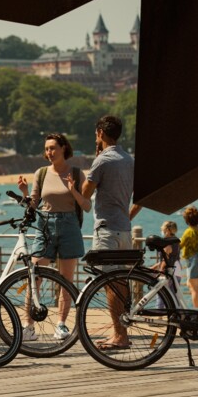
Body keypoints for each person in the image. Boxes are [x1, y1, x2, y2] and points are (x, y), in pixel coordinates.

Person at [18, 133, 91, 341]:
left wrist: (73, 190)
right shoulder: (41, 173)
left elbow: (86, 206)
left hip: (70, 227)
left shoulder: (77, 174)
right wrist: (24, 193)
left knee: (66, 281)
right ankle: (28, 327)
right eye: (47, 149)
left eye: (53, 148)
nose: (49, 152)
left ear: (63, 149)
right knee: (35, 277)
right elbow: (32, 206)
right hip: (44, 226)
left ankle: (60, 325)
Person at [81, 115, 140, 350]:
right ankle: (122, 331)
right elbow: (141, 198)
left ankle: (120, 335)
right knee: (122, 283)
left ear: (100, 133)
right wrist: (127, 216)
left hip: (106, 230)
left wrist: (96, 159)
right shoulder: (129, 160)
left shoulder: (102, 161)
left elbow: (84, 194)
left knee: (110, 284)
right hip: (125, 230)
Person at [180, 206, 198, 308]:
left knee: (193, 287)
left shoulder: (189, 231)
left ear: (187, 220)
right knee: (191, 285)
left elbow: (181, 244)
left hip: (192, 260)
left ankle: (197, 310)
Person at [152, 221, 182, 309]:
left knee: (161, 293)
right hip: (177, 269)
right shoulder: (176, 240)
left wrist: (160, 270)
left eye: (163, 229)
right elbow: (173, 257)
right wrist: (154, 266)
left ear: (168, 230)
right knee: (174, 294)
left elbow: (166, 259)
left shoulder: (167, 243)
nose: (162, 231)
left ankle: (159, 313)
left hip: (169, 269)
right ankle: (176, 314)